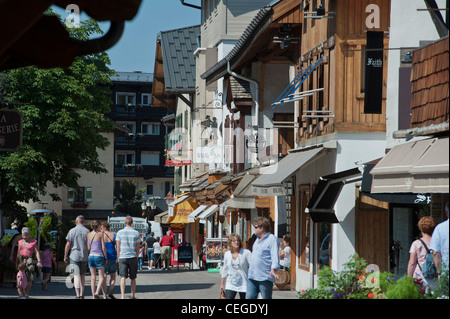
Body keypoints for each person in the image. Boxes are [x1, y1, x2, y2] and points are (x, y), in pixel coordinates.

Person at [246, 217, 279, 299]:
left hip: (264, 277)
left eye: (256, 227)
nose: (254, 229)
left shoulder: (272, 239)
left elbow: (275, 256)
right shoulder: (257, 239)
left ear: (262, 228)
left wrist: (273, 269)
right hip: (252, 276)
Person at [10, 227, 42, 299]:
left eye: (26, 235)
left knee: (29, 278)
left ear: (29, 234)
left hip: (30, 261)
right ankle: (22, 294)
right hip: (22, 261)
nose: (25, 237)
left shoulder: (33, 241)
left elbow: (37, 252)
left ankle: (27, 294)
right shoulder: (20, 242)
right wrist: (16, 262)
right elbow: (18, 252)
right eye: (23, 235)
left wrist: (39, 261)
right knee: (21, 277)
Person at [64, 215, 90, 299]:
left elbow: (68, 245)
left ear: (76, 222)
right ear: (83, 222)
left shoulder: (72, 231)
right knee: (82, 275)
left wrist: (65, 256)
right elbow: (89, 245)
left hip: (74, 256)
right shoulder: (87, 231)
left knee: (76, 275)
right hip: (84, 256)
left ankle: (77, 294)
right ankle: (82, 294)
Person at [220, 233, 252, 299]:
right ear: (230, 242)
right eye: (234, 241)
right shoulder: (227, 254)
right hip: (230, 283)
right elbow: (225, 269)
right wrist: (222, 284)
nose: (236, 242)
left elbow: (252, 266)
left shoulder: (246, 253)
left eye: (238, 241)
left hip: (244, 283)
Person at [407, 216, 436, 286]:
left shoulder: (416, 243)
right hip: (435, 276)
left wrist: (409, 279)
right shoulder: (437, 242)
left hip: (420, 277)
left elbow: (412, 263)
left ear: (421, 229)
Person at [116, 216, 141, 299]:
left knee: (123, 277)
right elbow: (138, 247)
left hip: (123, 256)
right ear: (132, 223)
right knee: (133, 278)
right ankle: (133, 295)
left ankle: (122, 296)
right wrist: (137, 256)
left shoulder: (119, 233)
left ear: (125, 223)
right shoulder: (136, 233)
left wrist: (118, 257)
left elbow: (118, 246)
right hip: (133, 256)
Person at [87, 220, 107, 299]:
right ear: (98, 226)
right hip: (99, 255)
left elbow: (88, 248)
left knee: (93, 277)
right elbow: (103, 247)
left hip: (91, 255)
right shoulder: (100, 234)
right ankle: (97, 292)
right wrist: (105, 257)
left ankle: (93, 295)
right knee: (102, 277)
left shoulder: (88, 234)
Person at [430, 202, 449, 275]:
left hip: (446, 274)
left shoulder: (440, 228)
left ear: (446, 213)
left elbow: (436, 253)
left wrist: (439, 271)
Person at [101, 221, 117, 299]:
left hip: (103, 257)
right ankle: (110, 291)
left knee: (103, 276)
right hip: (112, 256)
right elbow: (117, 246)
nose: (100, 229)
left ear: (105, 227)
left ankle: (104, 295)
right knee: (113, 276)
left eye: (101, 228)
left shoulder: (101, 235)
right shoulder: (114, 235)